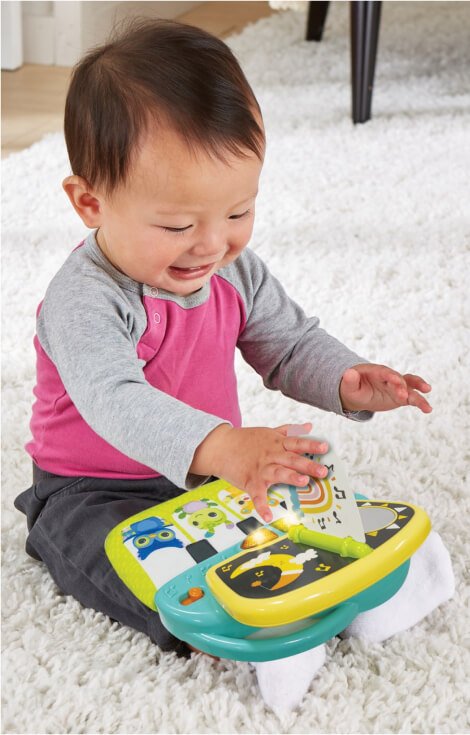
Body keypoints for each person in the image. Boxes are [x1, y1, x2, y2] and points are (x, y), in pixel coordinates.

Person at [14, 18, 454, 713]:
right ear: (90, 202)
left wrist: (346, 378)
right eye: (178, 225)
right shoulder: (85, 299)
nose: (210, 245)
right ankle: (253, 626)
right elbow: (114, 397)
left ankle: (372, 582)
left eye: (238, 211)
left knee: (298, 498)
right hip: (92, 488)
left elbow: (287, 342)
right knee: (135, 568)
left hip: (213, 476)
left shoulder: (232, 269)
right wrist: (224, 448)